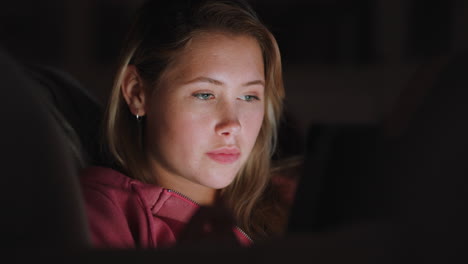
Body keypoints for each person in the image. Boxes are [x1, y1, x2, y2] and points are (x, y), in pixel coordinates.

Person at [79, 0, 286, 249]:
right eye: (204, 94)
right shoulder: (102, 213)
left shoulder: (293, 197)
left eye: (249, 96)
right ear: (137, 93)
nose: (233, 124)